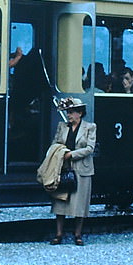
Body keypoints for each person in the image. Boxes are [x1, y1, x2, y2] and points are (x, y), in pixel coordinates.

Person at [49, 97, 96, 246]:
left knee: (79, 203)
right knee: (60, 201)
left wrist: (72, 154)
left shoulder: (90, 127)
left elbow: (90, 148)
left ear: (80, 113)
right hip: (64, 167)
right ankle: (59, 233)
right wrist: (61, 153)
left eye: (71, 112)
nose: (68, 115)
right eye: (68, 112)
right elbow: (55, 143)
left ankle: (78, 234)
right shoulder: (62, 126)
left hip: (82, 169)